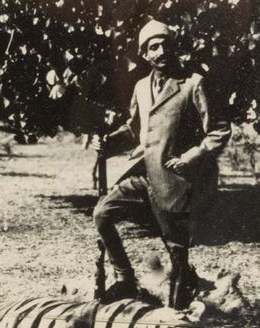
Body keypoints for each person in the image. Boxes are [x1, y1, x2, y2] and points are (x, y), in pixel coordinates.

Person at [92, 20, 231, 309]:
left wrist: (191, 157)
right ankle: (125, 278)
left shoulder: (193, 83)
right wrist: (108, 143)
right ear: (145, 54)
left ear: (175, 47)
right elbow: (135, 129)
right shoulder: (141, 87)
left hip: (176, 182)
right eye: (153, 46)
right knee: (102, 214)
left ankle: (177, 317)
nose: (161, 50)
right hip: (144, 175)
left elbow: (218, 129)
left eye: (166, 43)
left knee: (177, 256)